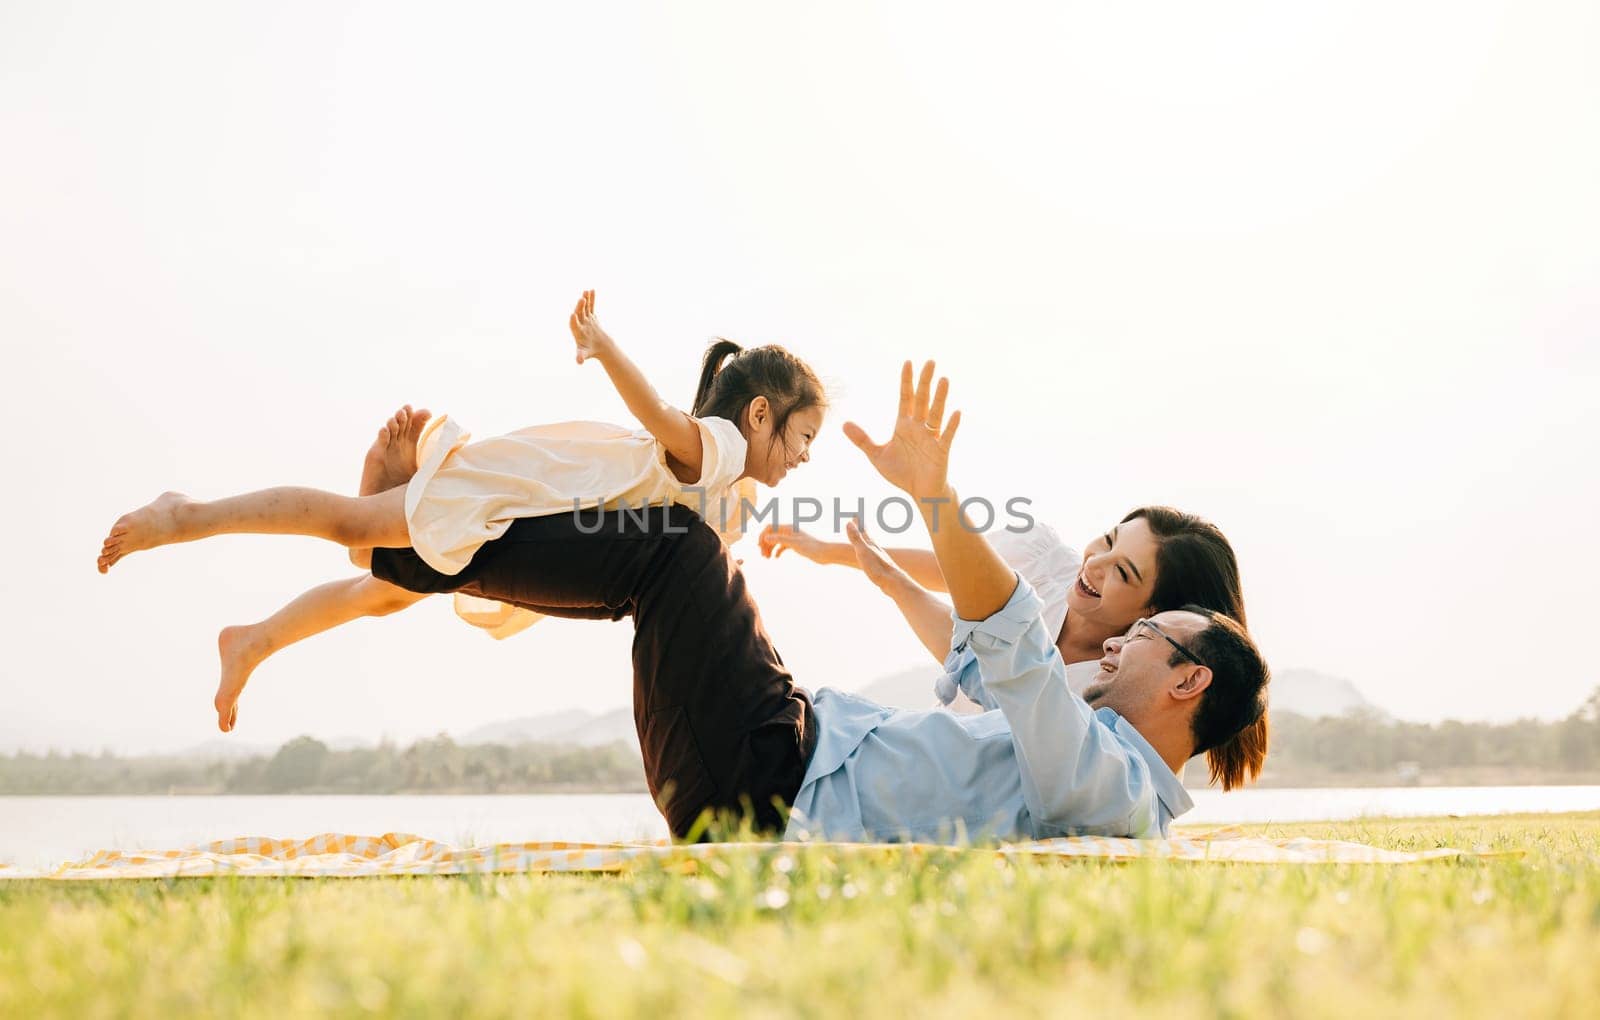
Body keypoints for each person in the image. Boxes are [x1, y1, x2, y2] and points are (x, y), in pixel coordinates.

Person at [364, 361, 1272, 842]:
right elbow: (988, 654)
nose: (1116, 645)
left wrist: (934, 495)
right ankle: (415, 542)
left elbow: (1019, 666)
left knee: (681, 547)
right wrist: (870, 561)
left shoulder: (1110, 787)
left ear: (1188, 683)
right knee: (677, 550)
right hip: (793, 740)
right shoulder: (1090, 734)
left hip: (773, 786)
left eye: (1142, 619)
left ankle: (407, 548)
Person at [96, 291, 826, 732]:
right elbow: (665, 420)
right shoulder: (726, 445)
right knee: (356, 531)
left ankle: (254, 641)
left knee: (383, 593)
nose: (803, 456)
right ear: (761, 414)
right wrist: (605, 350)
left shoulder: (732, 492)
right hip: (517, 497)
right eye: (802, 437)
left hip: (533, 508)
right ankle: (186, 513)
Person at [759, 501, 1267, 792]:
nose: (1095, 565)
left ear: (1156, 616)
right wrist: (832, 553)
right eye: (1108, 541)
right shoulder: (1043, 565)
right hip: (930, 752)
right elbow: (955, 572)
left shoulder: (1120, 691)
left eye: (1123, 572)